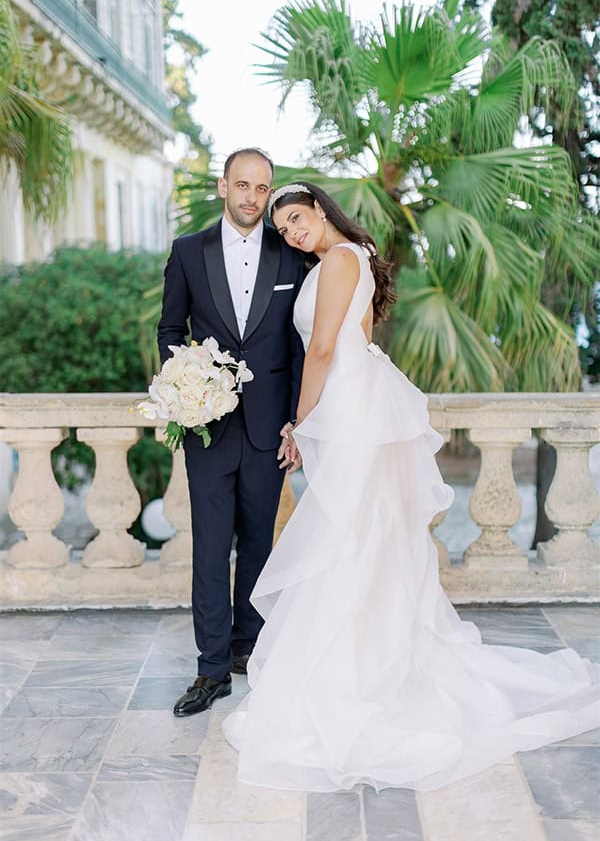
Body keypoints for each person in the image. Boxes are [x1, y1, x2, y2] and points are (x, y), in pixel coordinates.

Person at [222, 181, 600, 792]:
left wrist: (301, 420)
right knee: (362, 536)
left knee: (351, 535)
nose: (291, 232)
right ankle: (364, 661)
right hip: (357, 406)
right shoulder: (347, 259)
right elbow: (358, 342)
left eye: (297, 218)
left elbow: (322, 351)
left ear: (320, 209)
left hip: (348, 411)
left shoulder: (341, 260)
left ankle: (361, 674)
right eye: (283, 227)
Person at [157, 150, 305, 717]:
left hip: (271, 425)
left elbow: (297, 345)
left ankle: (249, 647)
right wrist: (187, 387)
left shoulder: (288, 254)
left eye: (262, 188)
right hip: (207, 426)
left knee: (261, 543)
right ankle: (211, 668)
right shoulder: (188, 252)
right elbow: (172, 327)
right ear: (223, 187)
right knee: (212, 546)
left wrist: (297, 417)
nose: (251, 197)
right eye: (242, 185)